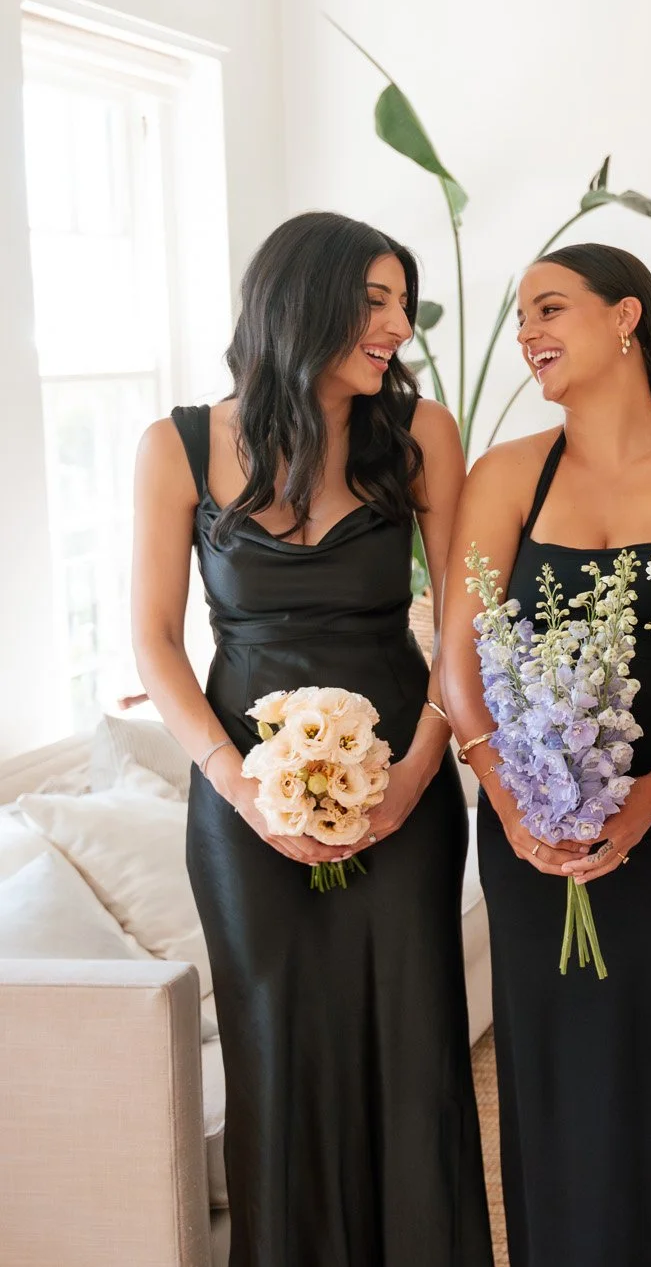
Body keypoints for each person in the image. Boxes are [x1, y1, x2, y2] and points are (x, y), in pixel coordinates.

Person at [131, 211, 489, 1265]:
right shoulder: (180, 443)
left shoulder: (419, 435)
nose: (395, 326)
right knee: (277, 1056)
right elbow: (153, 642)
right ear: (304, 302)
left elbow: (465, 625)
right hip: (242, 804)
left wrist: (420, 771)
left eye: (399, 303)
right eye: (372, 302)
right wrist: (243, 789)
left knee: (413, 1051)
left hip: (407, 791)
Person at [437, 243, 651, 1267]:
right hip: (531, 831)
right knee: (561, 1078)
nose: (528, 333)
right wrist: (514, 808)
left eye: (549, 309)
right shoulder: (507, 474)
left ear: (625, 318)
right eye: (522, 317)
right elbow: (456, 669)